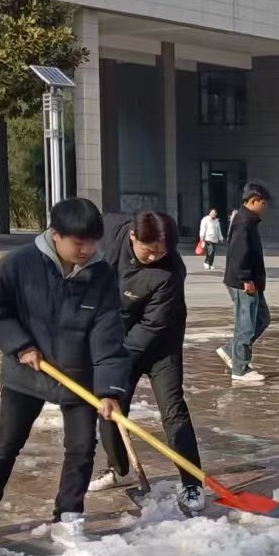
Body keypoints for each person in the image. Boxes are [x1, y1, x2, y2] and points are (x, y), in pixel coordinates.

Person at [0, 198, 129, 545]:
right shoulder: (20, 264)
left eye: (92, 242)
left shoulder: (101, 274)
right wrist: (20, 345)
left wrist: (109, 390)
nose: (86, 249)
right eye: (78, 242)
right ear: (56, 235)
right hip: (27, 371)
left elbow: (108, 335)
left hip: (78, 377)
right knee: (7, 440)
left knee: (81, 447)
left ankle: (68, 515)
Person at [88, 212, 206, 515]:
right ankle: (117, 468)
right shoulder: (109, 237)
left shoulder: (170, 272)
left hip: (160, 341)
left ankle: (191, 481)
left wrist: (113, 363)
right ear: (132, 237)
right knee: (110, 406)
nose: (154, 256)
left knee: (173, 409)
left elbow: (151, 328)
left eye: (161, 251)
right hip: (118, 333)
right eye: (148, 250)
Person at [216, 182, 270, 385]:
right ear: (253, 201)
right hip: (243, 282)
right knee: (246, 325)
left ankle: (231, 351)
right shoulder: (243, 222)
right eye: (263, 203)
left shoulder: (249, 220)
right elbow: (238, 254)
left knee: (262, 318)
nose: (265, 208)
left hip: (253, 281)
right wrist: (246, 279)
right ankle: (240, 368)